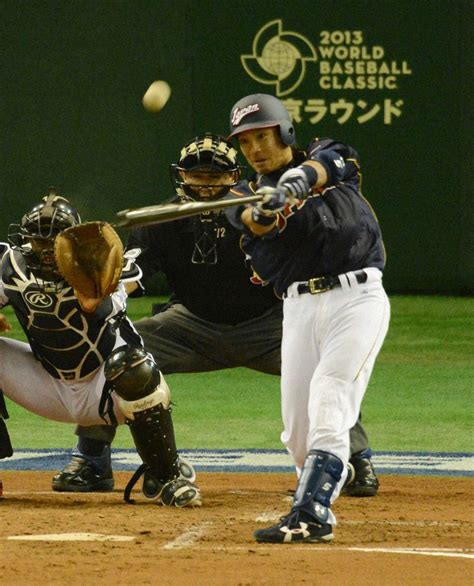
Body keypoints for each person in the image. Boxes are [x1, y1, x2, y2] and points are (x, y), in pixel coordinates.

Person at [52, 133, 380, 498]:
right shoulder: (161, 221)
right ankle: (92, 458)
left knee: (325, 365)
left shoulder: (254, 211)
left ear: (233, 178)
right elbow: (134, 274)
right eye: (197, 177)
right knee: (115, 354)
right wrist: (104, 295)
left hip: (271, 327)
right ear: (181, 178)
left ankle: (357, 459)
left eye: (215, 178)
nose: (206, 186)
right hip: (190, 326)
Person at [224, 93, 390, 543]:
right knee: (299, 433)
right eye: (246, 143)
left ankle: (312, 514)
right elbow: (247, 218)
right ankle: (330, 469)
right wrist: (263, 210)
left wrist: (299, 181)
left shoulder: (326, 154)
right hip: (298, 309)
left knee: (329, 398)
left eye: (263, 136)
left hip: (357, 299)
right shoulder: (242, 192)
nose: (255, 149)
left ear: (284, 132)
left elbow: (333, 163)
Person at [0, 189, 201, 508]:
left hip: (106, 391)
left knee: (132, 365)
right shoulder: (10, 264)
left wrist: (99, 288)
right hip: (45, 384)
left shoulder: (104, 264)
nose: (46, 251)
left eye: (53, 242)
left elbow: (124, 284)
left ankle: (165, 475)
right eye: (38, 241)